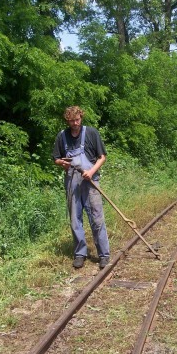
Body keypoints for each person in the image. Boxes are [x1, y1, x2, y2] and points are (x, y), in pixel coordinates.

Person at [52, 106, 110, 269]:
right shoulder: (62, 136)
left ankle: (103, 254)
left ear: (81, 118)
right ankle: (80, 254)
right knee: (75, 219)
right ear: (67, 120)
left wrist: (91, 172)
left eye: (77, 120)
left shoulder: (91, 133)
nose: (75, 123)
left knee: (97, 218)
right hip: (72, 181)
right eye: (71, 121)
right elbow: (56, 158)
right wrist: (61, 162)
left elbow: (102, 157)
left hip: (90, 181)